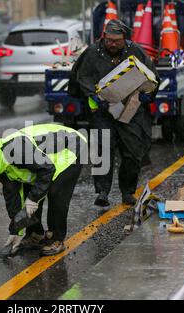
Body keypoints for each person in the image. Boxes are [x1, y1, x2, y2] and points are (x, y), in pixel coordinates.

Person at [69, 19, 160, 207]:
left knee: (132, 153)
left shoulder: (135, 51)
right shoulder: (93, 53)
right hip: (102, 112)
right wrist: (96, 98)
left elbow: (152, 76)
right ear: (104, 37)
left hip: (130, 111)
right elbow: (81, 79)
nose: (112, 44)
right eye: (109, 40)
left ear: (124, 39)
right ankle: (102, 191)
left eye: (117, 41)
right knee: (103, 151)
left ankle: (127, 192)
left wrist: (146, 94)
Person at [0, 124, 86, 256]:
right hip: (46, 162)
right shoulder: (1, 168)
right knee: (30, 191)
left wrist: (34, 199)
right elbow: (13, 200)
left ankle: (56, 239)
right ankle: (35, 234)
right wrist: (16, 231)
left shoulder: (17, 149)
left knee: (56, 191)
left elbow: (47, 170)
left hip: (72, 146)